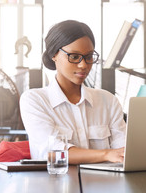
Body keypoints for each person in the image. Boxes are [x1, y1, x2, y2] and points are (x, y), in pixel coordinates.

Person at [20, 20, 126, 165]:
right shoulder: (34, 100)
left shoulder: (108, 101)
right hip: (54, 185)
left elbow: (122, 152)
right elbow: (52, 153)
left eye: (88, 57)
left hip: (103, 185)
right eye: (74, 57)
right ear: (54, 55)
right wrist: (106, 154)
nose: (83, 65)